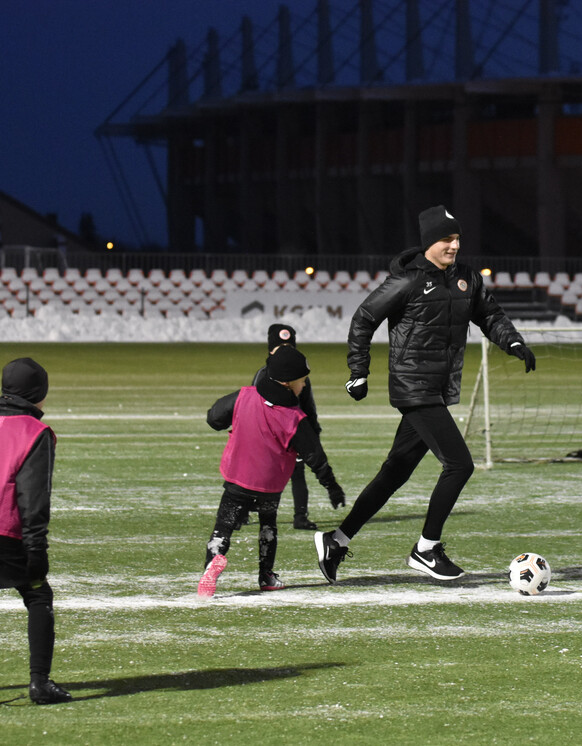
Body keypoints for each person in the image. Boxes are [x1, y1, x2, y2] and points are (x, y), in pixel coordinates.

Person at [314, 204, 536, 583]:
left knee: (394, 473)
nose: (454, 245)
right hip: (413, 386)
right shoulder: (408, 280)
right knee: (459, 464)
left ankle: (337, 540)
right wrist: (358, 372)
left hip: (437, 386)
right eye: (447, 239)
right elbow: (364, 318)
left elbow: (490, 316)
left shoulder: (467, 278)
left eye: (457, 238)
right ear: (429, 242)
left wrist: (512, 342)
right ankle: (426, 548)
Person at [0, 358, 71, 704]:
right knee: (38, 596)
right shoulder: (36, 433)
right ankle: (40, 683)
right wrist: (37, 550)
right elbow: (34, 499)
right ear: (39, 393)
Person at [199, 345, 345, 598]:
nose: (305, 385)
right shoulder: (294, 418)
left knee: (223, 526)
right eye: (303, 381)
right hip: (269, 485)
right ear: (288, 384)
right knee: (268, 527)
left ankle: (212, 565)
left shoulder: (244, 396)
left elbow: (214, 418)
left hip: (237, 478)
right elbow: (315, 456)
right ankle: (266, 575)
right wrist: (331, 486)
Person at [252, 323, 332, 530]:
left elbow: (308, 407)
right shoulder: (262, 375)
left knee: (297, 473)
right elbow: (253, 406)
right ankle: (247, 510)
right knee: (260, 474)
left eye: (290, 346)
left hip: (292, 434)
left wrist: (313, 432)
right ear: (271, 349)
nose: (286, 351)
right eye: (281, 347)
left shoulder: (300, 378)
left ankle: (300, 515)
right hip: (269, 436)